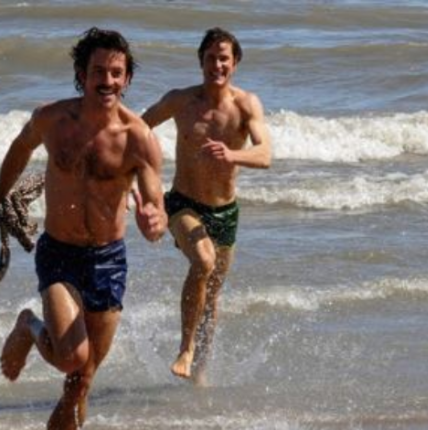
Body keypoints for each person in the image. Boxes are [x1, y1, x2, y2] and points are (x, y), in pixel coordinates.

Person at [0, 27, 166, 429]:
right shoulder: (53, 119)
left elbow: (154, 204)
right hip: (60, 254)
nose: (107, 80)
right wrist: (0, 197)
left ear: (127, 79)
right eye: (98, 71)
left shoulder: (138, 138)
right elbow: (21, 147)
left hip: (108, 261)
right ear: (81, 75)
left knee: (80, 384)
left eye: (116, 73)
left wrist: (153, 221)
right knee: (72, 357)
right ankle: (29, 325)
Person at [142, 27, 271, 386]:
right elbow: (137, 128)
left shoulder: (247, 105)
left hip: (225, 212)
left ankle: (199, 375)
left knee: (212, 297)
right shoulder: (180, 101)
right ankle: (185, 349)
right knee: (203, 261)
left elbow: (265, 154)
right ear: (201, 62)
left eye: (223, 58)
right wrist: (133, 178)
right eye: (211, 58)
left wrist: (232, 155)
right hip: (182, 205)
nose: (217, 65)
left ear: (235, 63)